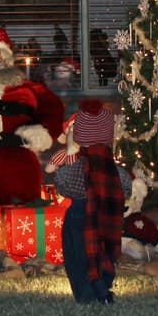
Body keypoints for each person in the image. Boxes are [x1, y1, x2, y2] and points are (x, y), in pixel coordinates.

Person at [54, 100, 130, 304]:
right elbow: (126, 187)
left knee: (78, 255)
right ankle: (103, 288)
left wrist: (70, 153)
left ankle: (86, 295)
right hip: (107, 215)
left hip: (81, 214)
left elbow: (63, 184)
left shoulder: (78, 165)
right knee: (104, 250)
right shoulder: (112, 168)